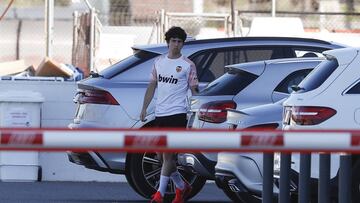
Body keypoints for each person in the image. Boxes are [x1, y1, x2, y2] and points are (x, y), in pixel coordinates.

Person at [140, 26, 199, 203]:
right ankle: (182, 187)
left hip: (177, 114)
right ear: (168, 42)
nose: (176, 44)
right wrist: (144, 108)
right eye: (173, 40)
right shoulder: (159, 62)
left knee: (168, 155)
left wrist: (199, 110)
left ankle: (160, 194)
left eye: (179, 41)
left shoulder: (188, 65)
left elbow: (195, 89)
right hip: (160, 114)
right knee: (160, 155)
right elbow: (152, 86)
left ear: (183, 44)